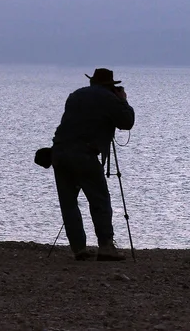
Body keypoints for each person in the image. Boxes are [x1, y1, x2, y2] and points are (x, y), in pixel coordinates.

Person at [51, 68, 135, 261]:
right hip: (84, 155)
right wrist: (123, 100)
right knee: (100, 200)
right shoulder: (108, 98)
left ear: (92, 82)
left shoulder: (75, 96)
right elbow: (127, 122)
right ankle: (106, 246)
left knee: (69, 202)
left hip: (59, 152)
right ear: (110, 86)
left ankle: (78, 248)